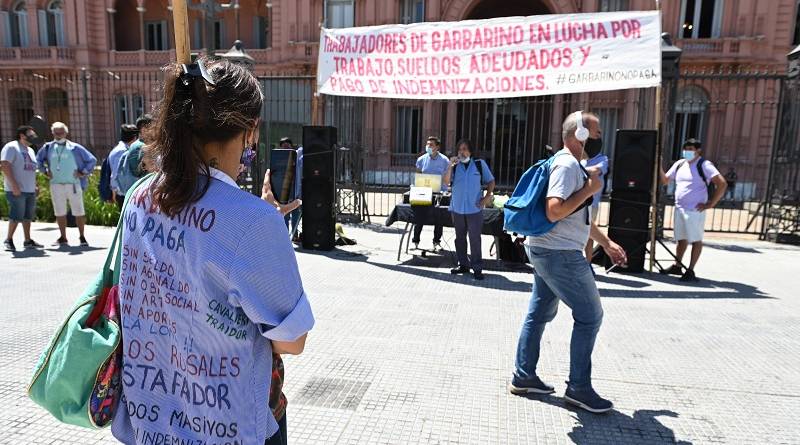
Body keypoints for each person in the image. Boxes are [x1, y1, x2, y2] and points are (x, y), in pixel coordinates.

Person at [111, 58, 313, 445]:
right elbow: (292, 340)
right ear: (250, 131)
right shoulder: (253, 221)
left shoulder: (139, 196)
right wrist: (267, 230)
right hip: (229, 426)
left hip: (149, 419)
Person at [510, 111, 627, 414]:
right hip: (560, 254)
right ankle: (578, 388)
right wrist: (589, 189)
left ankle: (524, 377)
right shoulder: (566, 164)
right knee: (590, 315)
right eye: (597, 131)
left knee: (539, 312)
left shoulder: (573, 165)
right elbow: (554, 211)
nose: (602, 137)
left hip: (548, 251)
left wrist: (607, 243)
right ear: (581, 134)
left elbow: (576, 218)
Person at [659, 139, 727, 282]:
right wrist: (657, 165)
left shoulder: (705, 165)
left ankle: (690, 269)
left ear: (698, 150)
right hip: (680, 208)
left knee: (695, 239)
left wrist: (710, 204)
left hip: (695, 210)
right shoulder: (679, 164)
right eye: (686, 149)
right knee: (681, 239)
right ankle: (677, 265)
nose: (687, 152)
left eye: (690, 149)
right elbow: (665, 180)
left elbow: (721, 183)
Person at [36, 122, 97, 246]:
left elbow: (92, 160)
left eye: (61, 132)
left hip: (73, 184)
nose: (59, 135)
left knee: (79, 211)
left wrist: (83, 172)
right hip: (56, 184)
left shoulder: (75, 147)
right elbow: (38, 160)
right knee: (59, 212)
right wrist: (45, 171)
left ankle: (82, 236)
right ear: (52, 133)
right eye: (56, 132)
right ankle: (63, 237)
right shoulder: (48, 147)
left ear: (66, 132)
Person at [443, 139, 495, 280]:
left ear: (470, 151)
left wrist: (487, 197)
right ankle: (463, 264)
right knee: (460, 238)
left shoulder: (479, 164)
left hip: (474, 209)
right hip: (457, 208)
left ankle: (477, 267)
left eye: (465, 149)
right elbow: (446, 182)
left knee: (474, 239)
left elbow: (491, 181)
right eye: (460, 149)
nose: (462, 152)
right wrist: (449, 165)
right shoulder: (454, 166)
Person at [2, 126, 43, 251]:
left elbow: (31, 169)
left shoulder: (30, 150)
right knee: (16, 215)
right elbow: (4, 165)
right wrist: (14, 185)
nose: (33, 137)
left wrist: (35, 185)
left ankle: (27, 240)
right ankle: (8, 240)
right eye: (30, 134)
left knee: (27, 216)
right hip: (16, 189)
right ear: (21, 135)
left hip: (29, 189)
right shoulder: (11, 147)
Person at [412, 136, 450, 250]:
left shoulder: (445, 160)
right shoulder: (421, 159)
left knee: (439, 219)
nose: (428, 146)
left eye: (431, 145)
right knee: (419, 217)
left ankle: (436, 242)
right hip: (423, 193)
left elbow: (447, 179)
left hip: (439, 194)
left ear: (437, 147)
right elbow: (418, 176)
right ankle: (415, 242)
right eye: (427, 144)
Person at [580, 135, 609, 262]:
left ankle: (588, 262)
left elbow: (596, 170)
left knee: (589, 234)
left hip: (592, 203)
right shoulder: (582, 159)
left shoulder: (602, 159)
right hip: (578, 203)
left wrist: (577, 170)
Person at [113, 114, 153, 197]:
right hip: (142, 193)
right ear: (144, 129)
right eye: (153, 128)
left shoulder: (138, 145)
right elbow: (140, 172)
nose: (156, 131)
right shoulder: (140, 147)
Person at [108, 124, 138, 208]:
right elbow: (116, 173)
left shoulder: (119, 149)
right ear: (135, 137)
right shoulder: (122, 151)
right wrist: (114, 191)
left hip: (123, 192)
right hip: (123, 193)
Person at [279, 137, 303, 240]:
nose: (286, 149)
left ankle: (294, 234)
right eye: (283, 147)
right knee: (285, 214)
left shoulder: (296, 157)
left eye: (288, 147)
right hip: (283, 191)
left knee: (295, 213)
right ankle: (284, 235)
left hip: (294, 190)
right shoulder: (278, 159)